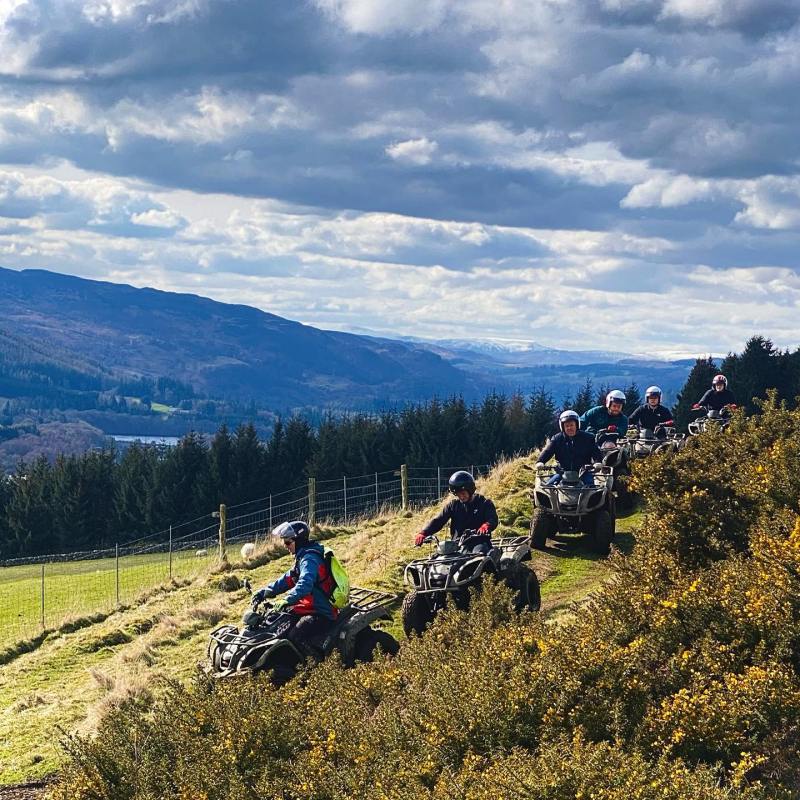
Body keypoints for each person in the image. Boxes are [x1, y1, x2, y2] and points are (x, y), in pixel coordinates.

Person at [252, 520, 337, 661]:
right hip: (308, 607)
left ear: (299, 541)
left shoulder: (309, 559)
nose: (285, 546)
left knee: (296, 635)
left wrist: (287, 599)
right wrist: (264, 592)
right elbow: (288, 579)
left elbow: (304, 585)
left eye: (287, 542)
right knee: (278, 623)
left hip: (321, 611)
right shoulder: (302, 557)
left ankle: (317, 666)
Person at [414, 470, 498, 554]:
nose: (461, 496)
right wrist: (423, 533)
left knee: (478, 557)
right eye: (458, 494)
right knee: (438, 559)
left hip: (479, 542)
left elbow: (492, 519)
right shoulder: (453, 505)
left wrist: (487, 525)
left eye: (463, 493)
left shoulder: (484, 503)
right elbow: (438, 521)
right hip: (457, 544)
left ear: (470, 489)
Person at [536, 410, 603, 486]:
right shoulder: (557, 439)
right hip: (562, 473)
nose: (569, 428)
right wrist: (540, 461)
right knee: (548, 488)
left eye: (571, 425)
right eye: (567, 426)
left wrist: (597, 462)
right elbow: (548, 451)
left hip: (583, 472)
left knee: (593, 490)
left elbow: (595, 452)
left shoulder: (588, 438)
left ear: (577, 425)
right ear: (562, 427)